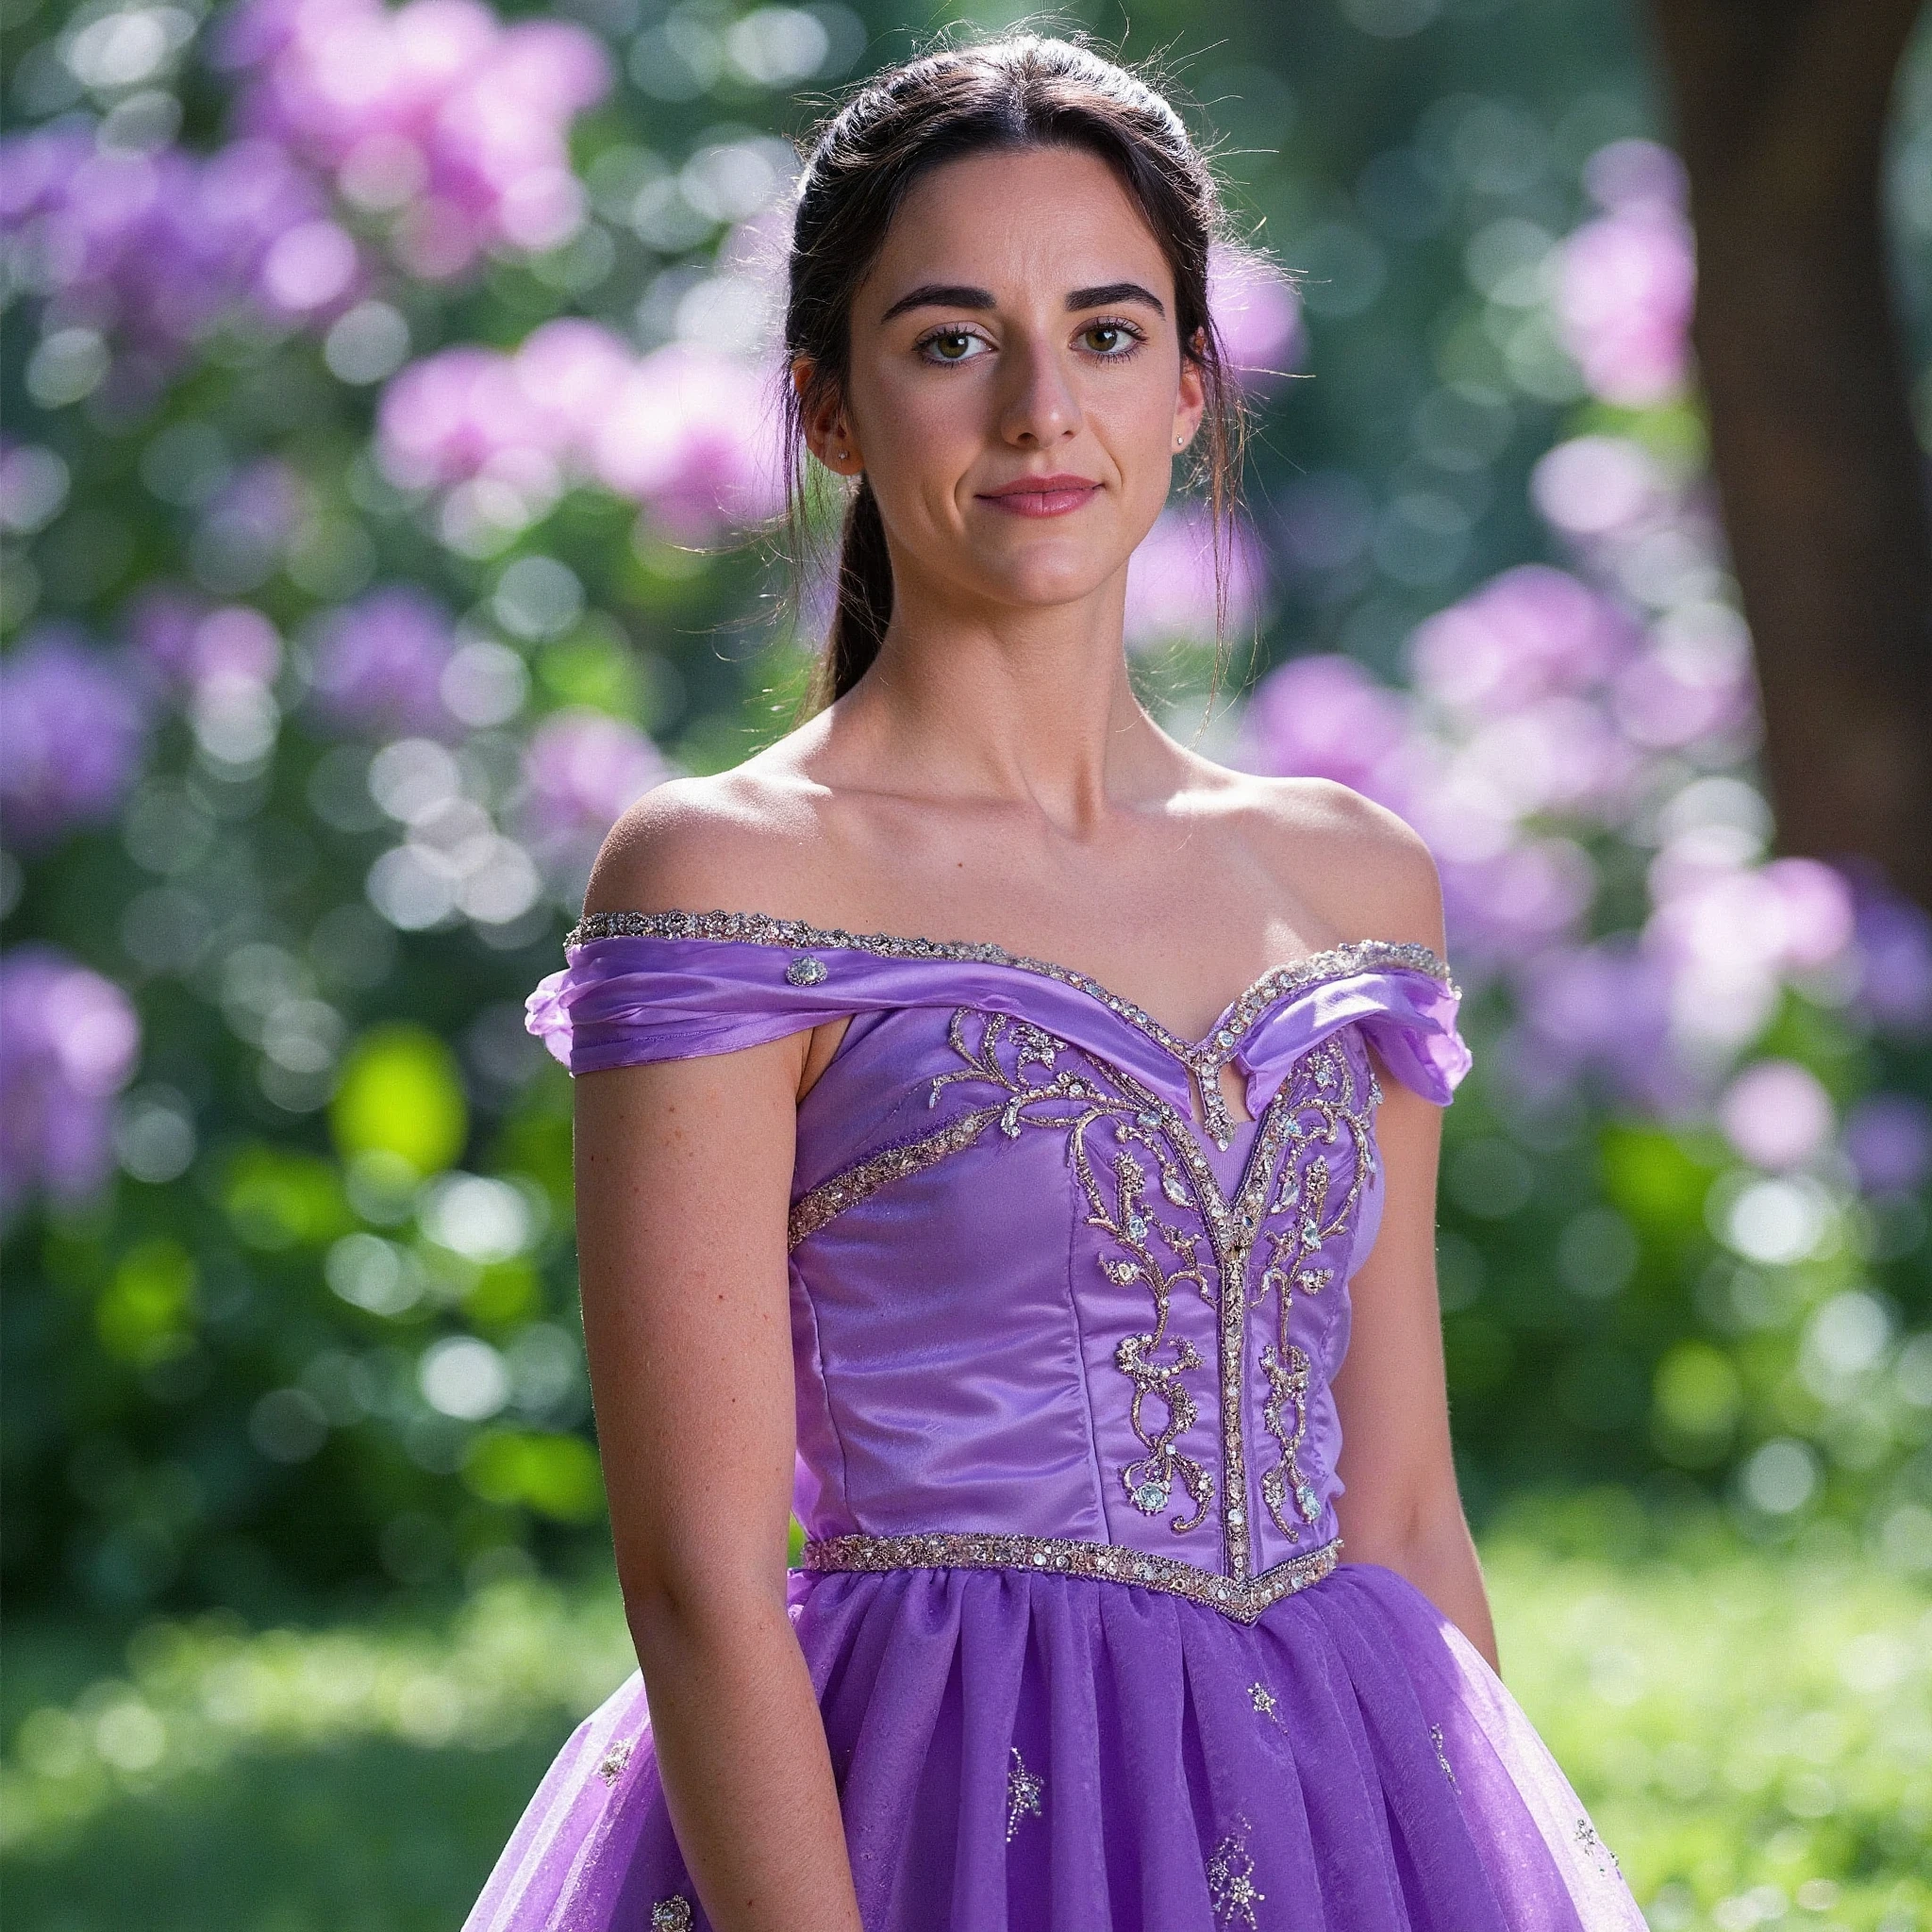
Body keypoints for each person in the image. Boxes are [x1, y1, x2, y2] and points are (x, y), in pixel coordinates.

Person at [465, 34, 1648, 1932]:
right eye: (950, 340)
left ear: (1191, 384)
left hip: (1351, 1804)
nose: (1039, 408)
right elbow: (695, 1566)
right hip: (930, 1811)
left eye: (1105, 334)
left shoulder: (1350, 881)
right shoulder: (724, 878)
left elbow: (1406, 1511)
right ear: (828, 405)